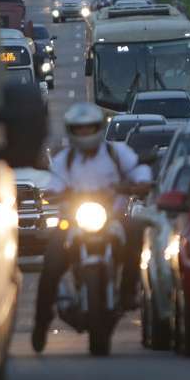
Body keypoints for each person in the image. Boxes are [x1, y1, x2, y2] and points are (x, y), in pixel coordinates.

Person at [31, 102, 151, 353]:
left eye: (89, 129)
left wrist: (138, 183)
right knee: (51, 264)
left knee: (136, 229)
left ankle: (129, 290)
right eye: (79, 129)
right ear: (71, 131)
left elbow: (139, 170)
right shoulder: (65, 160)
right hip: (74, 221)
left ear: (98, 128)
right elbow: (52, 185)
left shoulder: (118, 153)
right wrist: (54, 193)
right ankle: (42, 321)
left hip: (113, 217)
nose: (85, 134)